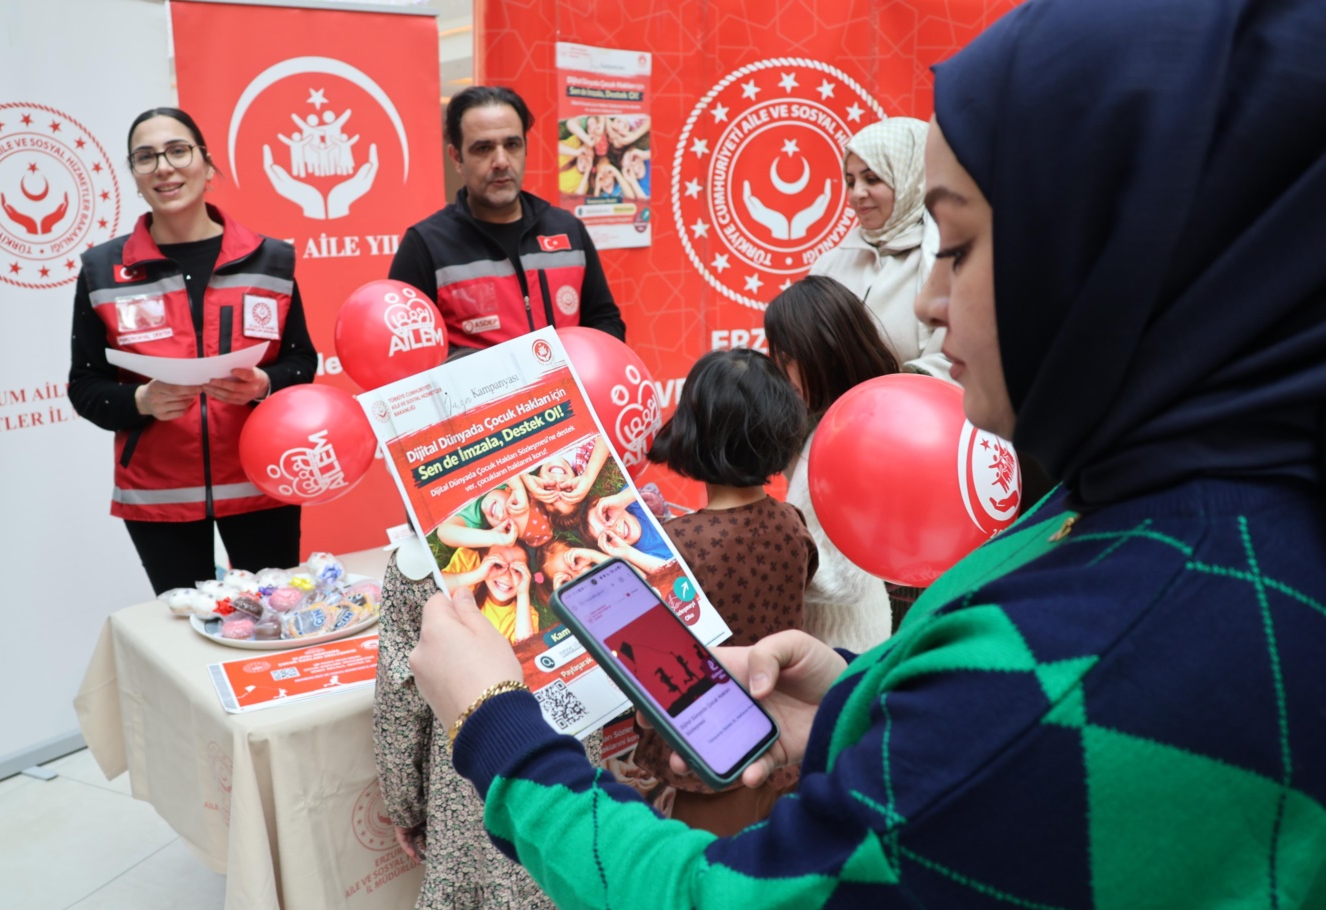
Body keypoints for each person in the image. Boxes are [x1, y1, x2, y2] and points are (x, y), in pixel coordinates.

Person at [403, 0, 1326, 906]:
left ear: (1118, 253)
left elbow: (726, 898)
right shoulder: (1165, 498)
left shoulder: (1101, 644)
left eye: (956, 245)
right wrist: (856, 705)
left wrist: (497, 727)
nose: (926, 302)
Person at [69, 107, 317, 595]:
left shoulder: (270, 259)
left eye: (178, 151)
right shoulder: (102, 270)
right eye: (146, 157)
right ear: (135, 175)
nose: (164, 167)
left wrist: (264, 384)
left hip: (264, 482)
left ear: (206, 163)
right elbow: (85, 385)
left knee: (273, 621)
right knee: (181, 629)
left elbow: (301, 361)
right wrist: (141, 400)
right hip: (159, 496)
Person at [637, 348, 818, 835]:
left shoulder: (676, 546)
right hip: (783, 745)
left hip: (706, 758)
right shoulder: (792, 524)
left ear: (692, 431)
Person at [372, 554, 602, 910]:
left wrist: (406, 807)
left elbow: (400, 705)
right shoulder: (565, 557)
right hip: (570, 769)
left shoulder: (415, 567)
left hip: (468, 785)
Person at [387, 86, 625, 352]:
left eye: (512, 145)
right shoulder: (425, 246)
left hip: (569, 380)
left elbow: (605, 320)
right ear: (456, 158)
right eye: (483, 148)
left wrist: (583, 361)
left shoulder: (568, 229)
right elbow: (409, 352)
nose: (501, 161)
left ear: (525, 148)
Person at [765, 275, 900, 648]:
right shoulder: (831, 426)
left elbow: (847, 580)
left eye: (787, 359)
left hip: (842, 650)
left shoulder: (853, 443)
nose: (780, 373)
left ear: (824, 355)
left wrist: (758, 553)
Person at [809, 116, 949, 378]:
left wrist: (887, 391)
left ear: (913, 178)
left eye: (872, 179)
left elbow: (960, 360)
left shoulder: (947, 258)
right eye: (851, 181)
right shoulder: (832, 262)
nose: (857, 194)